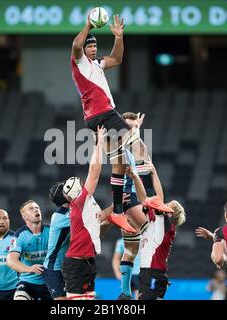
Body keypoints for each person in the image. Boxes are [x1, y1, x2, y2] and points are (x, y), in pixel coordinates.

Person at [70, 13, 169, 234]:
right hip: (104, 113)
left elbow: (117, 59)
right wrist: (87, 25)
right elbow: (76, 44)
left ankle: (116, 212)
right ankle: (152, 198)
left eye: (95, 45)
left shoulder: (95, 65)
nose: (93, 48)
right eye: (90, 45)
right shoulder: (78, 61)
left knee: (120, 164)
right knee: (139, 145)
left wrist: (118, 37)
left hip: (96, 119)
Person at [126, 164, 185, 300]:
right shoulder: (157, 222)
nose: (164, 205)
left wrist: (153, 173)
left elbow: (157, 198)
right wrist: (135, 178)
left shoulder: (164, 222)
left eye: (168, 205)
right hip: (152, 273)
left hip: (152, 272)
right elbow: (145, 201)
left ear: (170, 213)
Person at [61, 126, 106, 300]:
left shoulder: (85, 205)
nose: (83, 183)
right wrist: (99, 143)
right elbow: (94, 172)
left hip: (87, 261)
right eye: (80, 183)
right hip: (77, 263)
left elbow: (100, 218)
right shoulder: (80, 202)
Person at [7, 200, 52, 300]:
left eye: (37, 208)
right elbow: (11, 260)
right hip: (28, 282)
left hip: (51, 281)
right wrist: (30, 269)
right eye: (31, 208)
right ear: (25, 216)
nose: (36, 210)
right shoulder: (19, 236)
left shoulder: (51, 231)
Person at [42, 182, 71, 300]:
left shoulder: (67, 213)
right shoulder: (61, 216)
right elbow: (96, 218)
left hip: (65, 268)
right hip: (53, 269)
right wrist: (115, 206)